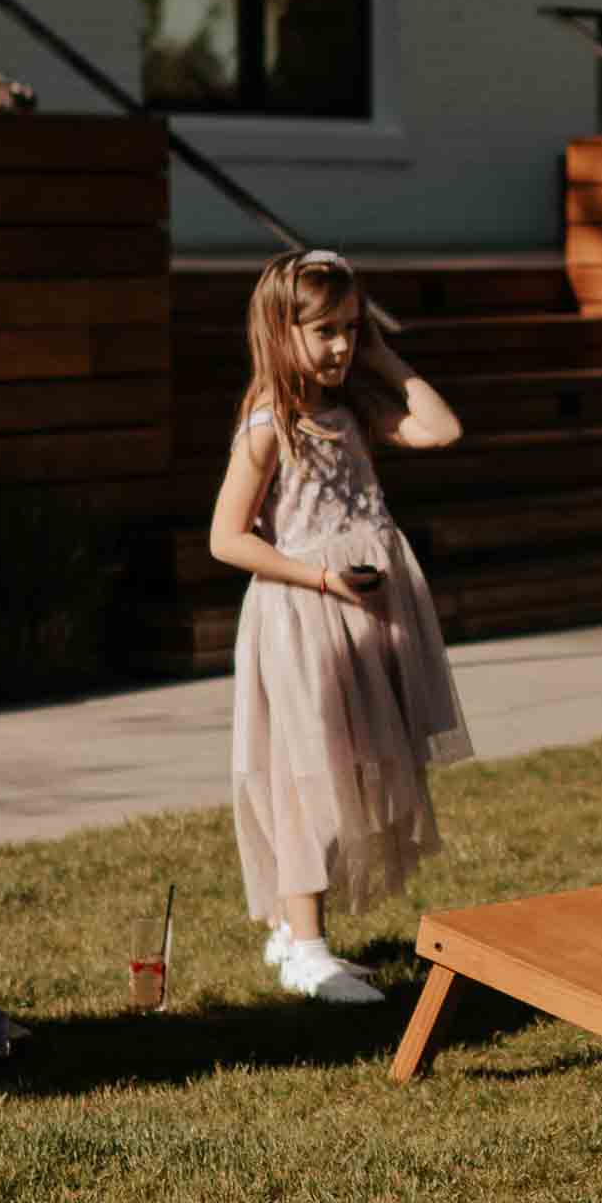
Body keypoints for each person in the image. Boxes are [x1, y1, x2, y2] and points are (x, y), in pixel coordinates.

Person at [206, 248, 470, 1001]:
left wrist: (385, 359)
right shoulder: (270, 426)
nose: (341, 346)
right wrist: (322, 578)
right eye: (324, 330)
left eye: (352, 329)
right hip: (305, 618)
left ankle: (295, 933)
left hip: (363, 616)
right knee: (308, 779)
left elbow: (442, 429)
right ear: (279, 330)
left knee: (354, 770)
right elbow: (227, 538)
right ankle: (306, 947)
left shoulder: (349, 406)